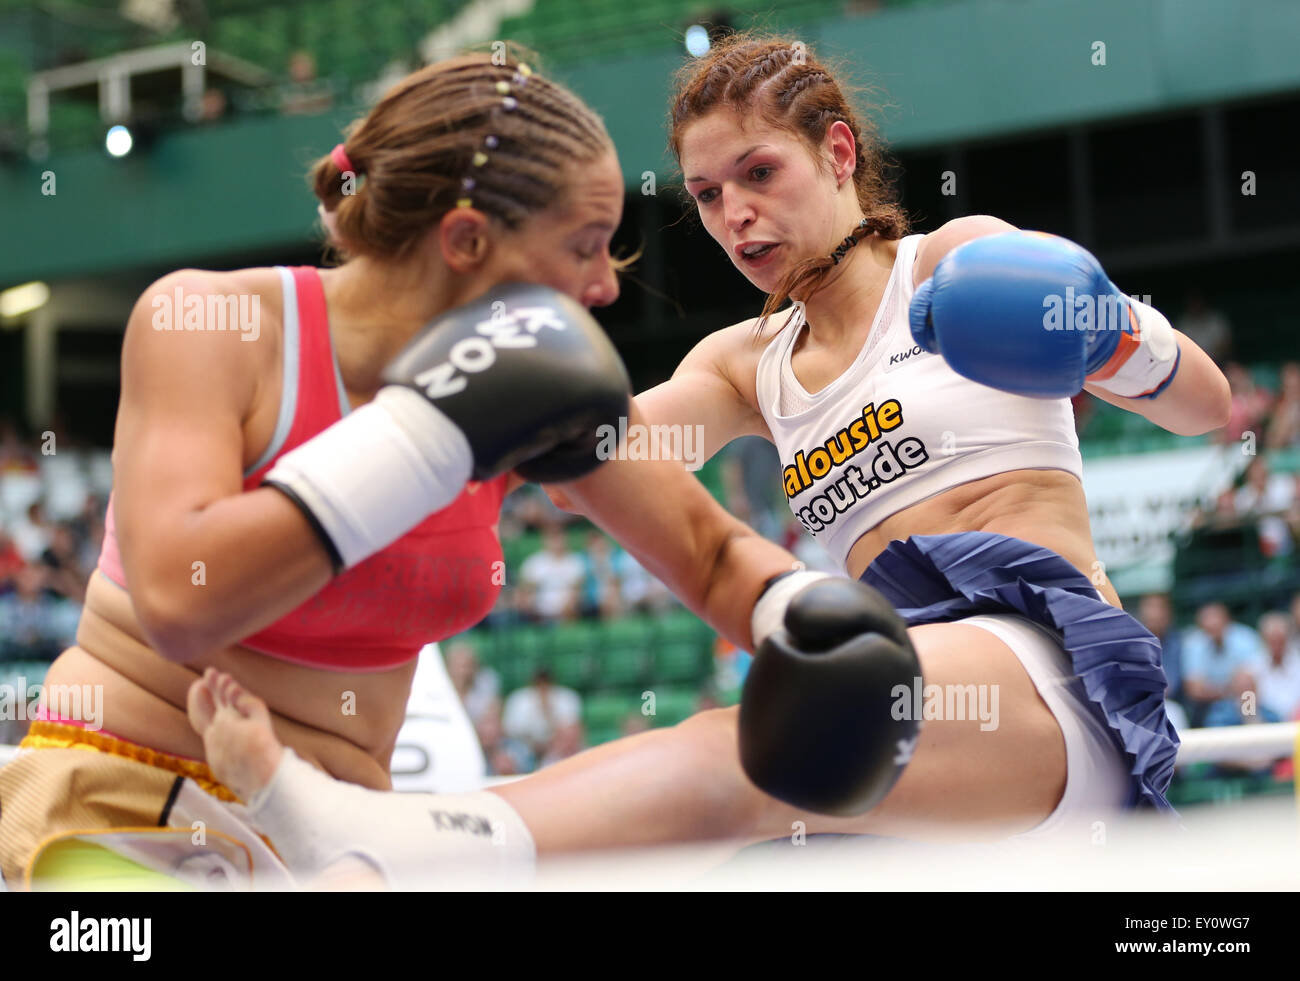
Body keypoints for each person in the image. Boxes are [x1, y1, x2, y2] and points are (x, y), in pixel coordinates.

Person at [184, 33, 1232, 890]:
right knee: (707, 854)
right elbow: (573, 442)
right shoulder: (746, 367)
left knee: (746, 749)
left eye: (757, 173)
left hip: (1039, 681)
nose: (733, 214)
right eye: (705, 193)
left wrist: (1107, 336)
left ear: (836, 152)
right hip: (902, 761)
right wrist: (311, 450)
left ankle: (388, 843)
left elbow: (1206, 406)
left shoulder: (958, 261)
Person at [0, 50, 831, 890]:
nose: (602, 288)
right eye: (583, 247)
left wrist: (801, 614)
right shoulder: (212, 324)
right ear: (467, 240)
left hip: (339, 836)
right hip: (119, 800)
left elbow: (712, 553)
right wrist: (432, 432)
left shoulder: (534, 388)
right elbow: (181, 600)